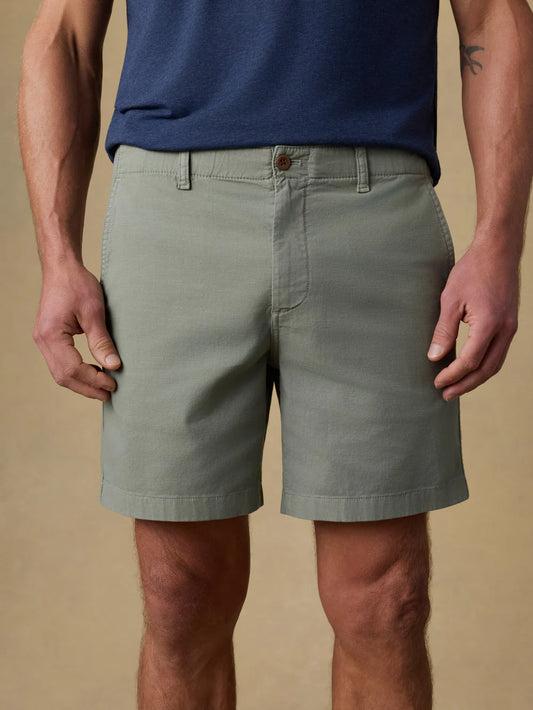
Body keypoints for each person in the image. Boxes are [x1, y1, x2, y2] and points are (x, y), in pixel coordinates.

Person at [18, 0, 532, 708]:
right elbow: (65, 37)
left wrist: (500, 242)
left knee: (387, 603)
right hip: (172, 210)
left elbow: (494, 18)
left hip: (374, 207)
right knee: (179, 593)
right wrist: (56, 256)